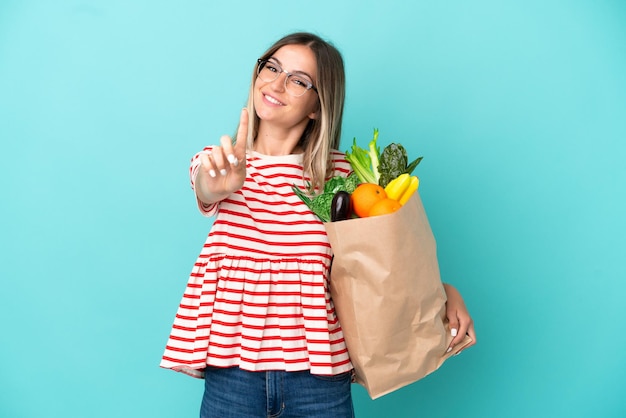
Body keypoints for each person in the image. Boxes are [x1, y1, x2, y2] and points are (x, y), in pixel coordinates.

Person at [161, 31, 476, 418]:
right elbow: (206, 187)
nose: (276, 83)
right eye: (272, 67)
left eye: (297, 79)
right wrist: (217, 184)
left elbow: (380, 265)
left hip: (319, 379)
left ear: (317, 105)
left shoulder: (342, 176)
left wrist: (445, 291)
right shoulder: (219, 161)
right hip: (232, 374)